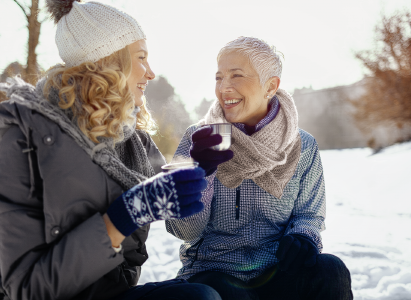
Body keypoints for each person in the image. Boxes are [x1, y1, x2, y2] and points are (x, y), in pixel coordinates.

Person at [0, 1, 221, 300]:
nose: (151, 72)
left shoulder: (132, 140)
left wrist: (196, 166)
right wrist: (126, 214)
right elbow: (27, 289)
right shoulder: (23, 134)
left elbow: (162, 190)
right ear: (108, 62)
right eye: (141, 57)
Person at [166, 36, 353, 300]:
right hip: (215, 271)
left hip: (279, 271)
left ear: (271, 86)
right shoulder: (198, 139)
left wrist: (302, 238)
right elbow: (182, 230)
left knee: (331, 269)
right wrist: (201, 173)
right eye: (219, 77)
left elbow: (310, 214)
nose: (224, 88)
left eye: (237, 76)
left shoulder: (303, 145)